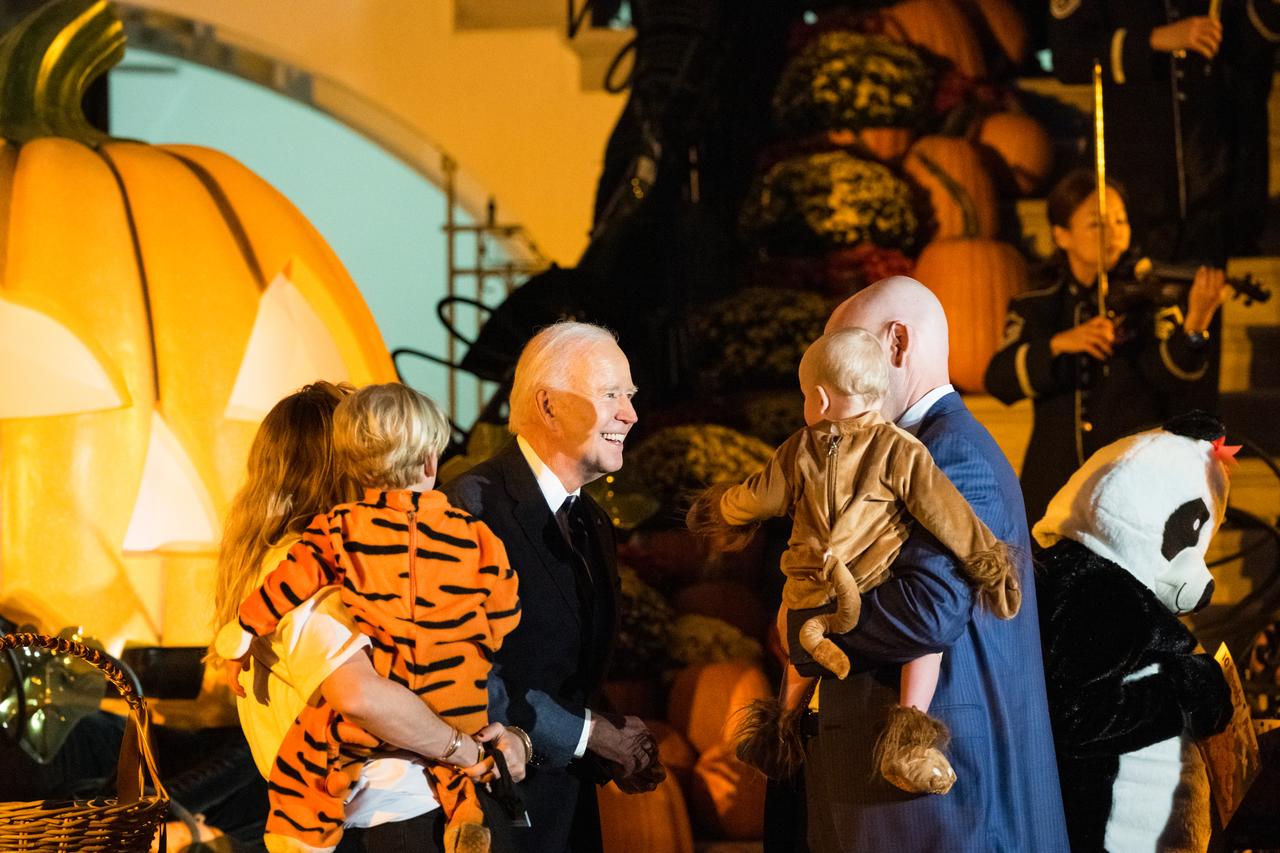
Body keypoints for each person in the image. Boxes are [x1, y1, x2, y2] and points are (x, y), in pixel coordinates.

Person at [787, 276, 1070, 852]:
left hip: (938, 807)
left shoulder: (950, 453)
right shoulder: (903, 449)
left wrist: (806, 630)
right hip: (897, 798)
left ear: (896, 345)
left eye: (846, 349)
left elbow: (928, 612)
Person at [691, 328, 1020, 796]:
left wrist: (721, 508)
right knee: (925, 647)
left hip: (808, 597)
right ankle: (910, 737)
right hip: (868, 590)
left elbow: (757, 498)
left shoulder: (796, 450)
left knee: (800, 654)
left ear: (820, 399)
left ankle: (780, 727)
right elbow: (946, 511)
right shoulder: (901, 451)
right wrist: (985, 560)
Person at [211, 382, 526, 853]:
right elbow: (358, 692)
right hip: (401, 819)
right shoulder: (308, 567)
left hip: (393, 817)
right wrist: (466, 751)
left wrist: (509, 739)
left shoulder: (303, 567)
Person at [442, 322, 665, 853]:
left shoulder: (594, 523)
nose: (630, 415)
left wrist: (609, 740)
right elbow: (465, 676)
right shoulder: (469, 511)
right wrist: (591, 735)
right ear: (548, 405)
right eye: (611, 395)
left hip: (568, 813)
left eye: (629, 396)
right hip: (492, 818)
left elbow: (563, 669)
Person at [983, 169, 1228, 526]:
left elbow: (1169, 378)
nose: (1113, 233)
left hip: (1132, 479)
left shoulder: (1151, 300)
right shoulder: (1038, 305)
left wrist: (1195, 327)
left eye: (1120, 221)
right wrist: (1058, 344)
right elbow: (999, 379)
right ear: (1061, 235)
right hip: (1055, 477)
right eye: (1097, 224)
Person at [1050, 0, 1280, 263]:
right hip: (1136, 170)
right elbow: (1068, 55)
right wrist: (1155, 39)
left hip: (1215, 175)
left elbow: (1250, 48)